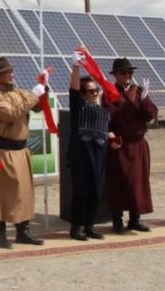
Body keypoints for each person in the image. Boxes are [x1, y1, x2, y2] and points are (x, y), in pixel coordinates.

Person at [0, 57, 45, 248]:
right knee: (2, 193)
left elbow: (37, 107)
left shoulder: (18, 92)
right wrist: (33, 95)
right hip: (3, 149)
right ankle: (0, 234)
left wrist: (43, 89)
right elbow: (10, 114)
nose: (12, 74)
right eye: (8, 71)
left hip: (21, 148)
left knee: (24, 192)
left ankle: (23, 231)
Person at [104, 58, 157, 234]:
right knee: (119, 182)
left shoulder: (139, 90)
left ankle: (135, 219)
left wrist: (145, 100)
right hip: (121, 143)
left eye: (130, 73)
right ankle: (117, 220)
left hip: (139, 143)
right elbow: (112, 116)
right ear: (115, 75)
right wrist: (131, 102)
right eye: (123, 73)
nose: (127, 76)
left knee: (139, 183)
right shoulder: (109, 92)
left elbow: (149, 115)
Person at [67, 55, 113, 241]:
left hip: (100, 155)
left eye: (96, 90)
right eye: (90, 91)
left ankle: (89, 226)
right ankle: (76, 227)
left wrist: (110, 137)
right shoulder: (79, 108)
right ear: (83, 94)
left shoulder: (104, 113)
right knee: (81, 192)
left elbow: (104, 131)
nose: (94, 94)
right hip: (82, 155)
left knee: (96, 192)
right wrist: (76, 67)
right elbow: (73, 91)